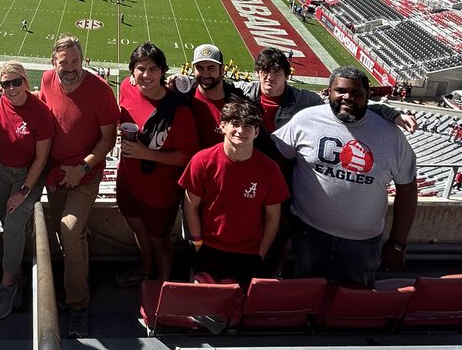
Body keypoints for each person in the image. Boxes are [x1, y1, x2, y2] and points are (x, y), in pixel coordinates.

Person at [272, 66, 418, 285]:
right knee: (304, 294)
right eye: (340, 91)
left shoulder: (392, 136)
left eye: (356, 93)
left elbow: (407, 190)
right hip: (308, 233)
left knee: (353, 306)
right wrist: (282, 208)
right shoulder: (306, 120)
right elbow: (277, 158)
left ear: (368, 96)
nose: (348, 98)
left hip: (363, 244)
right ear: (328, 91)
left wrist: (397, 243)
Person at [39, 35, 120, 338]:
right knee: (67, 236)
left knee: (70, 229)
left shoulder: (99, 90)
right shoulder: (47, 80)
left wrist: (83, 167)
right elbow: (44, 108)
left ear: (82, 60)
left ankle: (78, 304)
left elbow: (108, 139)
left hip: (84, 174)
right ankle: (74, 284)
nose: (70, 68)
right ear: (53, 63)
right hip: (56, 173)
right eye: (64, 62)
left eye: (75, 61)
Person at [179, 99, 288, 287]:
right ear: (222, 126)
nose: (241, 131)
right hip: (209, 248)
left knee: (240, 309)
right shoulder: (202, 160)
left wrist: (261, 253)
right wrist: (198, 243)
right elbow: (190, 204)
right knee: (207, 308)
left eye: (248, 126)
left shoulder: (270, 169)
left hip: (249, 252)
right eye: (235, 124)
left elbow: (273, 216)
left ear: (256, 132)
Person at [116, 42, 199, 287]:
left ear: (163, 72)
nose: (146, 75)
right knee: (139, 230)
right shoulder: (126, 88)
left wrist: (146, 153)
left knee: (159, 239)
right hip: (128, 181)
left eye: (153, 69)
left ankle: (162, 286)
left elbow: (187, 156)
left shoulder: (178, 109)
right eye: (140, 68)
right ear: (132, 71)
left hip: (160, 191)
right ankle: (145, 270)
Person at [0, 61, 54, 319]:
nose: (12, 87)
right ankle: (19, 275)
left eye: (17, 81)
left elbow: (42, 157)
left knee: (14, 223)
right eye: (6, 83)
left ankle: (7, 285)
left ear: (26, 82)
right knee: (5, 220)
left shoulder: (40, 112)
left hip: (28, 173)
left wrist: (24, 190)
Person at [243, 47, 417, 135]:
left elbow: (346, 104)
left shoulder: (302, 99)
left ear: (287, 76)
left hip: (285, 168)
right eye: (265, 72)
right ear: (257, 73)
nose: (269, 78)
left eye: (276, 72)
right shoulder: (244, 94)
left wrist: (393, 114)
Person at [188, 44, 248, 147]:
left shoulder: (240, 104)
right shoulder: (183, 98)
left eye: (211, 68)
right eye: (200, 68)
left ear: (222, 70)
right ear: (193, 69)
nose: (205, 74)